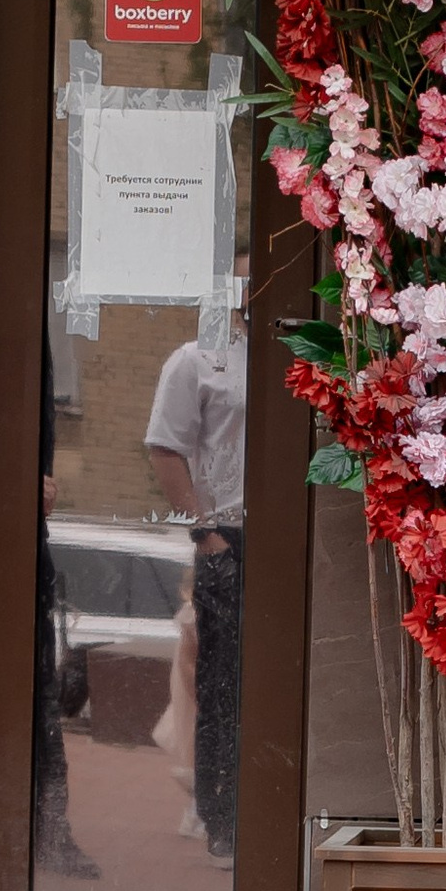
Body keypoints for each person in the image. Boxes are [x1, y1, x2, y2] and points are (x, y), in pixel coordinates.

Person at [145, 329, 247, 863]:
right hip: (226, 536)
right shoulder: (197, 359)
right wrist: (204, 535)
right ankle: (222, 821)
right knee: (222, 682)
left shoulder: (314, 350)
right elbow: (165, 444)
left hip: (294, 539)